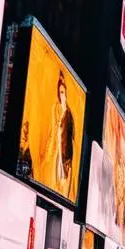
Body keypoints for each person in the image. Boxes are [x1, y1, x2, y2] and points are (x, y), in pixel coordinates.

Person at [41, 71, 76, 199]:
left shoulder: (69, 113)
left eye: (64, 92)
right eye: (60, 92)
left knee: (63, 190)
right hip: (57, 153)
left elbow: (72, 139)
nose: (63, 95)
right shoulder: (55, 109)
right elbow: (52, 130)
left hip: (66, 158)